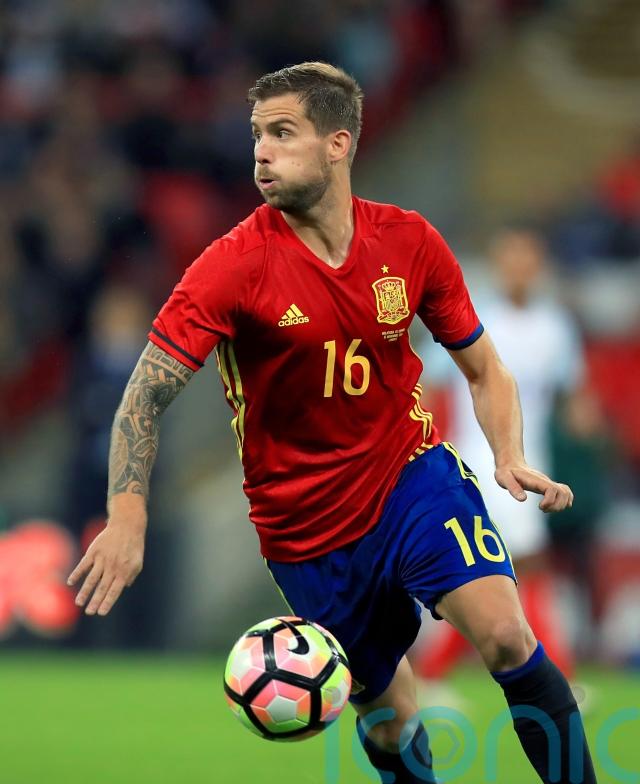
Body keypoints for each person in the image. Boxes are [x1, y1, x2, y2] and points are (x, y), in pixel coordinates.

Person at [67, 62, 596, 783]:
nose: (261, 151)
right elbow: (142, 397)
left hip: (410, 479)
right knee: (392, 719)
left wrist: (507, 454)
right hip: (306, 531)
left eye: (283, 133)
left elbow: (484, 369)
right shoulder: (232, 266)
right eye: (257, 134)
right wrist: (127, 514)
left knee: (507, 635)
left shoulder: (409, 242)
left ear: (338, 143)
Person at [414, 227, 582, 686]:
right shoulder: (472, 320)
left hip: (531, 463)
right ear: (497, 265)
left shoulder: (555, 328)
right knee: (521, 567)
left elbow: (571, 393)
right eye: (511, 259)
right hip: (478, 462)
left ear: (539, 267)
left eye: (527, 260)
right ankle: (558, 675)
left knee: (490, 574)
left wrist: (583, 418)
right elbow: (429, 385)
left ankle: (431, 676)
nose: (519, 269)